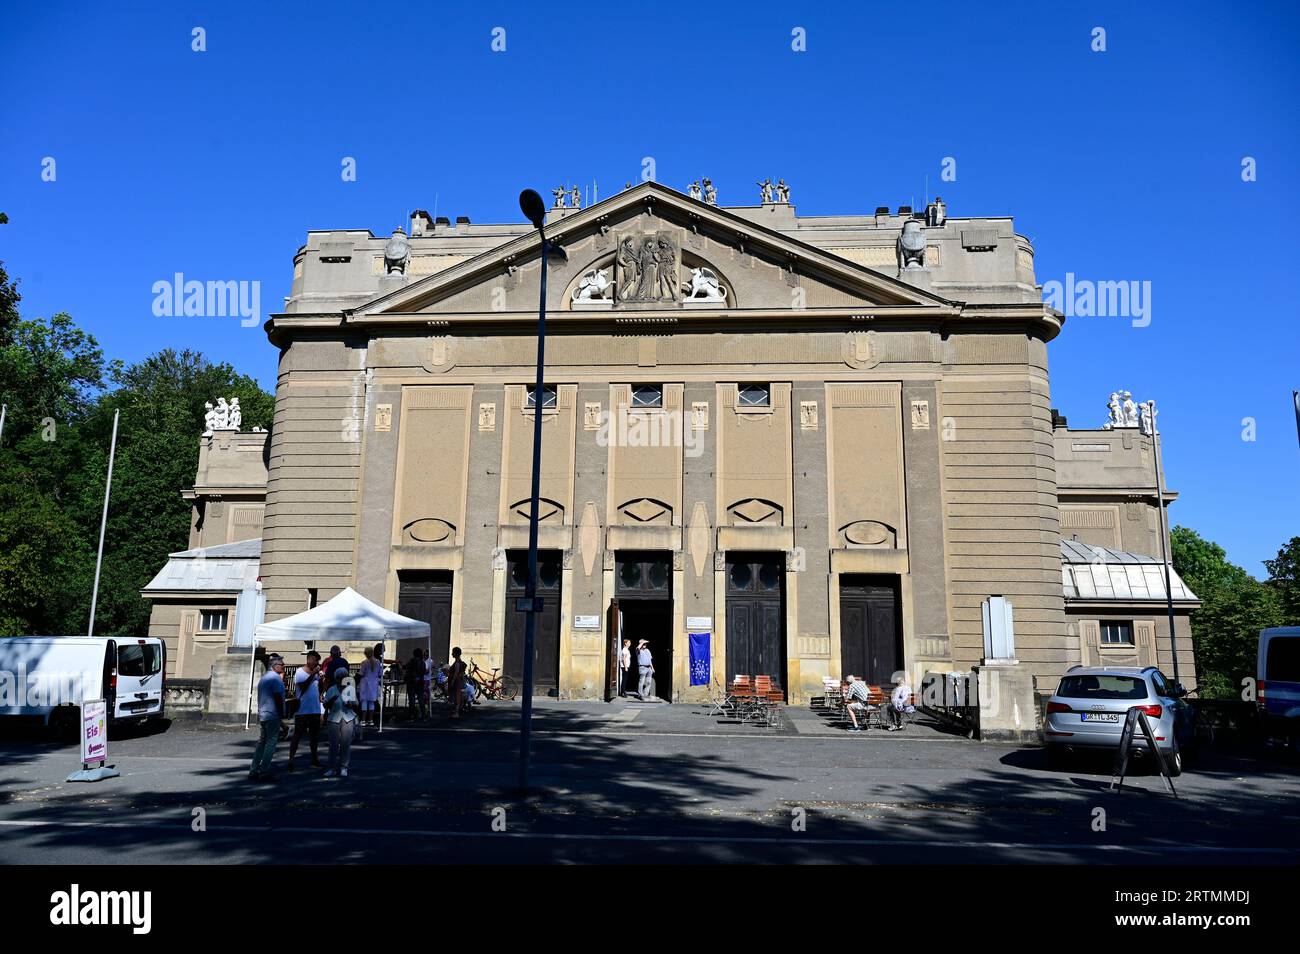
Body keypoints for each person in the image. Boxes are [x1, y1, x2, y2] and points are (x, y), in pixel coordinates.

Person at [249, 654, 286, 780]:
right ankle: (264, 770)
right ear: (275, 666)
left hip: (264, 714)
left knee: (262, 742)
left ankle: (254, 770)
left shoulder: (264, 678)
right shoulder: (275, 679)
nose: (283, 666)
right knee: (270, 742)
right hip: (273, 714)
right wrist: (282, 714)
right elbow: (277, 697)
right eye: (282, 664)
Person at [288, 651, 323, 771]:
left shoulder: (317, 674)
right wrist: (313, 674)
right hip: (302, 709)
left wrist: (321, 680)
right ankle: (291, 759)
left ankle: (314, 759)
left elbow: (318, 688)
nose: (317, 663)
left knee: (314, 736)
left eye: (318, 661)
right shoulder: (300, 672)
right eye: (315, 660)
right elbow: (302, 686)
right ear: (309, 659)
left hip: (315, 709)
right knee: (297, 735)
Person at [322, 665, 358, 778]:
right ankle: (331, 768)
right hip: (334, 718)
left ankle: (344, 767)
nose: (342, 679)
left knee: (345, 743)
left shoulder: (350, 689)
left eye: (344, 676)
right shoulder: (332, 689)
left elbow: (356, 704)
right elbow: (325, 704)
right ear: (336, 678)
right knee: (333, 744)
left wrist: (351, 703)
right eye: (340, 677)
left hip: (348, 717)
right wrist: (330, 701)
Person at [358, 647, 382, 727]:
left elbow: (361, 673)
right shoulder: (378, 661)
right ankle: (371, 720)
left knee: (364, 702)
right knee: (372, 702)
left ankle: (363, 720)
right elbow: (380, 673)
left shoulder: (364, 662)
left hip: (365, 684)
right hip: (374, 683)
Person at [405, 648, 427, 720]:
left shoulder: (411, 661)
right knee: (421, 699)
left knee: (412, 700)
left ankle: (412, 716)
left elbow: (406, 669)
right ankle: (423, 716)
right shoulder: (422, 662)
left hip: (411, 682)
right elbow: (424, 671)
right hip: (420, 682)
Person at [447, 647, 468, 719]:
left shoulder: (457, 663)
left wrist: (452, 682)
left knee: (456, 696)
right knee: (456, 696)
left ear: (456, 653)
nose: (452, 653)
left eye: (453, 652)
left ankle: (456, 713)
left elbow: (456, 673)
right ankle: (455, 712)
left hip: (456, 682)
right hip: (457, 682)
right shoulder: (458, 662)